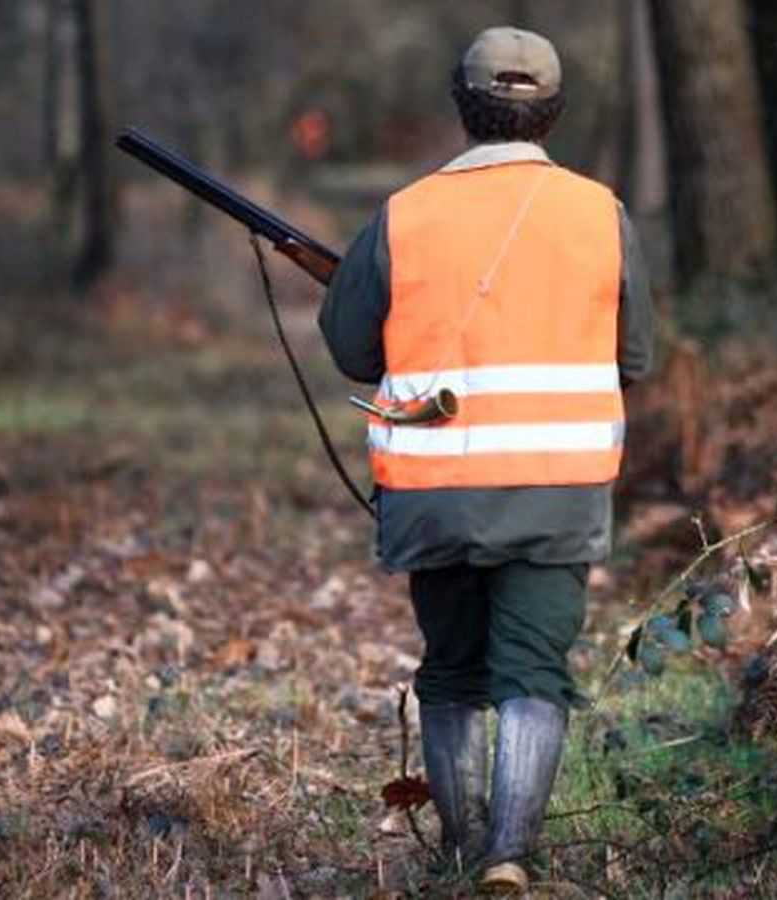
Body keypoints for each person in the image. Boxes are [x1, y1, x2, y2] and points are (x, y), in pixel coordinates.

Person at [318, 26, 655, 895]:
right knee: (533, 671)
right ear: (552, 111)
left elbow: (353, 351)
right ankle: (511, 857)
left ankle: (466, 857)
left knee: (453, 671)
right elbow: (636, 356)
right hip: (556, 489)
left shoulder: (404, 212)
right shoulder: (601, 213)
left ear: (463, 107)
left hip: (437, 490)